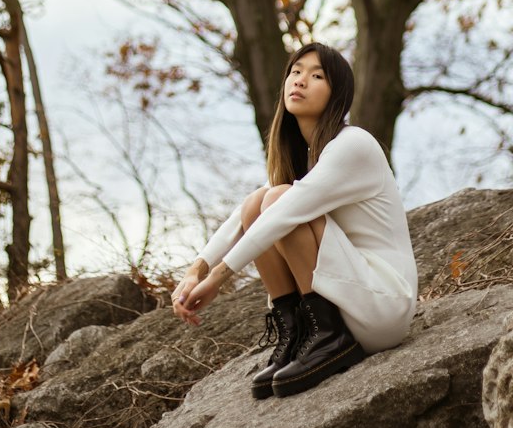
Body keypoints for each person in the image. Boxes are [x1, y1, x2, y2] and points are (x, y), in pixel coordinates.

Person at [171, 42, 418, 399]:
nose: (300, 80)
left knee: (277, 202)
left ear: (338, 96)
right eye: (296, 71)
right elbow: (245, 216)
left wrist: (218, 279)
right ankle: (297, 333)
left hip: (382, 304)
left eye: (317, 76)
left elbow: (284, 212)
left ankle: (329, 336)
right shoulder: (307, 159)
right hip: (351, 297)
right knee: (260, 201)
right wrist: (197, 268)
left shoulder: (354, 144)